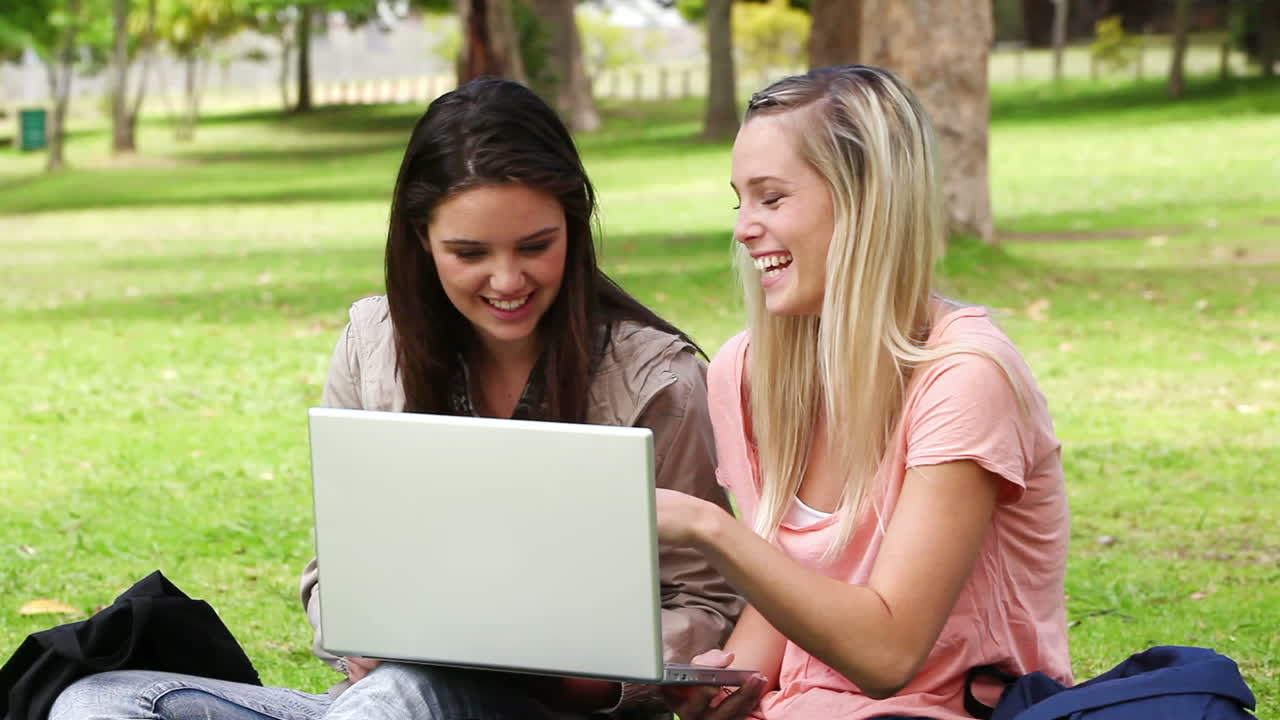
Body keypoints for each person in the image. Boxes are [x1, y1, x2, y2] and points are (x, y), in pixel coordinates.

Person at [50, 77, 742, 720]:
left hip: (543, 707)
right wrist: (364, 637)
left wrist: (569, 676)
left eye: (535, 246)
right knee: (99, 701)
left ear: (574, 224)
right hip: (385, 699)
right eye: (469, 253)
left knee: (400, 694)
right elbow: (334, 574)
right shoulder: (372, 344)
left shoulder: (657, 378)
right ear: (421, 239)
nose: (507, 280)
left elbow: (706, 603)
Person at [653, 65, 1072, 720]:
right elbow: (789, 598)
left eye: (772, 198)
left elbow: (886, 654)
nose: (743, 228)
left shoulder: (964, 378)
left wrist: (709, 529)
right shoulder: (746, 372)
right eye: (740, 201)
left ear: (865, 202)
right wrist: (724, 684)